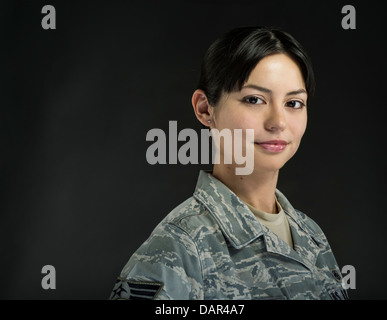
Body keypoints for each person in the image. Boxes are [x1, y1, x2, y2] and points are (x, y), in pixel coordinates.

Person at [109, 26, 348, 300]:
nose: (279, 122)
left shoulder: (311, 235)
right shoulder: (179, 247)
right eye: (254, 99)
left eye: (294, 103)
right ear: (205, 108)